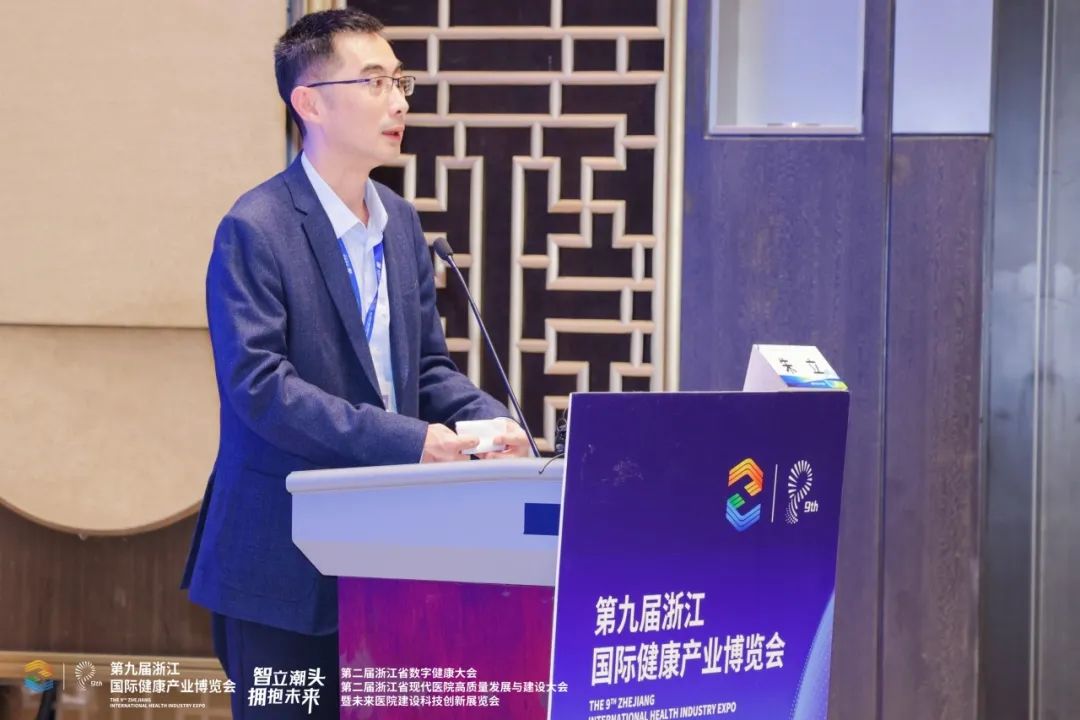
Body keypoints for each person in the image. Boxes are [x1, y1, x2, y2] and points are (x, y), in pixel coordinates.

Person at [180, 8, 530, 718]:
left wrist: (493, 425)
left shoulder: (400, 223)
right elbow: (262, 390)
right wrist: (412, 442)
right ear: (309, 103)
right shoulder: (256, 228)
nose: (398, 101)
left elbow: (425, 370)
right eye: (374, 82)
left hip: (390, 558)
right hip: (281, 568)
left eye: (400, 81)